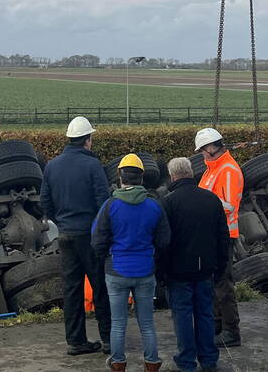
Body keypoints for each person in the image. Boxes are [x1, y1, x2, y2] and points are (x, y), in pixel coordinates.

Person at [40, 116, 112, 356]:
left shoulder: (52, 166)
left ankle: (76, 341)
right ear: (87, 140)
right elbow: (104, 203)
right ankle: (108, 339)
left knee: (72, 289)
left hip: (65, 235)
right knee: (100, 286)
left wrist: (61, 222)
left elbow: (45, 202)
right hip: (89, 235)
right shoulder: (93, 165)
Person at [92, 153, 171, 372]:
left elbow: (97, 240)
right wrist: (152, 257)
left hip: (116, 270)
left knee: (118, 323)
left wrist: (106, 257)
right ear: (142, 177)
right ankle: (152, 363)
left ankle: (118, 363)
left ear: (120, 176)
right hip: (145, 271)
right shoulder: (154, 205)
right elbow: (164, 240)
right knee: (147, 323)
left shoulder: (110, 206)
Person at [160, 157, 230, 372]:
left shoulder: (168, 202)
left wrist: (161, 273)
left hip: (178, 271)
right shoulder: (211, 199)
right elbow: (223, 237)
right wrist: (220, 267)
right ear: (191, 172)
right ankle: (208, 359)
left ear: (172, 176)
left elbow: (163, 241)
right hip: (206, 269)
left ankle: (186, 361)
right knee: (205, 313)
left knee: (182, 315)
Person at [195, 127, 243, 348]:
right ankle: (216, 327)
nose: (201, 155)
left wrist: (203, 204)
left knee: (222, 284)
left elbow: (229, 205)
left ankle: (231, 331)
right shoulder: (212, 169)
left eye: (202, 151)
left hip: (224, 235)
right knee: (214, 283)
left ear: (211, 148)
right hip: (211, 234)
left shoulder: (229, 170)